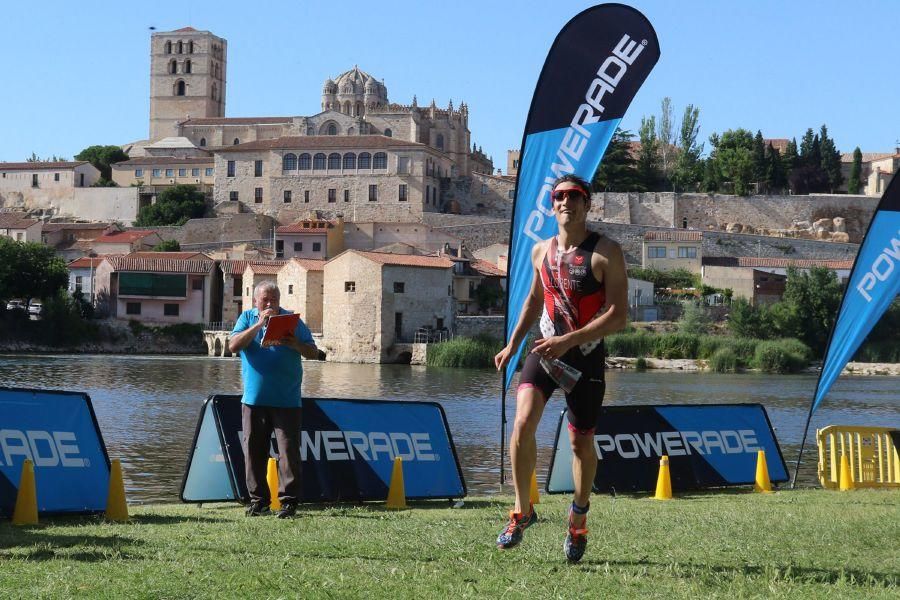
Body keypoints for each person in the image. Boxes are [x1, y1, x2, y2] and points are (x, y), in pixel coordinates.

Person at [494, 174, 627, 562]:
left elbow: (619, 315)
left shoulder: (606, 252)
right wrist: (513, 344)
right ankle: (522, 510)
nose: (566, 202)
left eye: (574, 196)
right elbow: (535, 302)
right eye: (559, 196)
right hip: (545, 349)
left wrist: (568, 341)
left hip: (584, 355)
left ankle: (578, 516)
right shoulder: (541, 252)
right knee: (523, 423)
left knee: (580, 443)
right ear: (552, 205)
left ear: (587, 205)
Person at [229, 281, 321, 518]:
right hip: (254, 400)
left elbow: (314, 353)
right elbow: (233, 346)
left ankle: (288, 502)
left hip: (287, 400)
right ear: (256, 301)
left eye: (274, 300)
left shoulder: (292, 321)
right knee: (254, 452)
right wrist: (259, 324)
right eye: (265, 300)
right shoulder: (247, 318)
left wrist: (295, 344)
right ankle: (258, 501)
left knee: (289, 453)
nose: (270, 304)